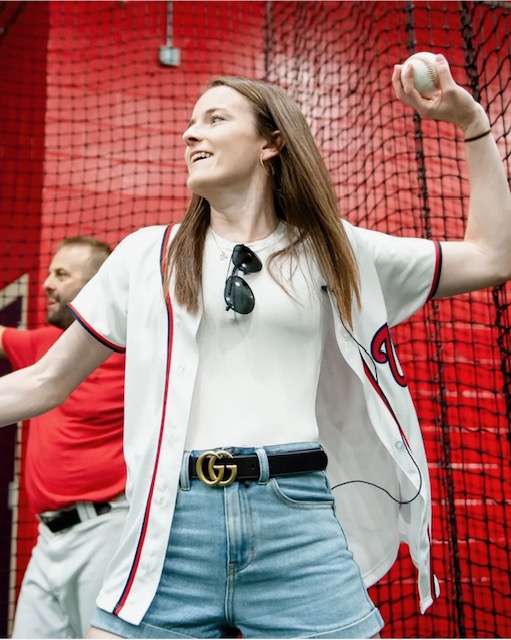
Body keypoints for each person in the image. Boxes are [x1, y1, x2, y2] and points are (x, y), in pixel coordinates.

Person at [0, 53, 510, 639]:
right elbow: (44, 381)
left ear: (271, 143)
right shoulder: (146, 256)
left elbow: (492, 258)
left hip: (297, 521)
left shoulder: (336, 252)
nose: (191, 133)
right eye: (191, 122)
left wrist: (472, 122)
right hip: (170, 526)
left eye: (215, 119)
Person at [0, 237, 128, 639]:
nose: (46, 284)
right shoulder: (45, 347)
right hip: (47, 539)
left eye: (61, 274)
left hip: (108, 532)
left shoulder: (139, 353)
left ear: (95, 287)